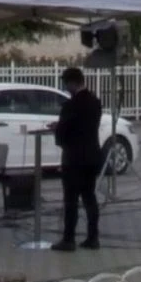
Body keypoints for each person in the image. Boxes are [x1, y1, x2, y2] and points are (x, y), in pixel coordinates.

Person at [52, 67, 103, 251]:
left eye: (66, 83)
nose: (65, 87)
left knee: (71, 200)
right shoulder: (95, 102)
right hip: (92, 156)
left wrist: (57, 130)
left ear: (72, 82)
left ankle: (69, 239)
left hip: (74, 159)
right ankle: (93, 237)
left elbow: (64, 132)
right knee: (90, 198)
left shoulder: (70, 105)